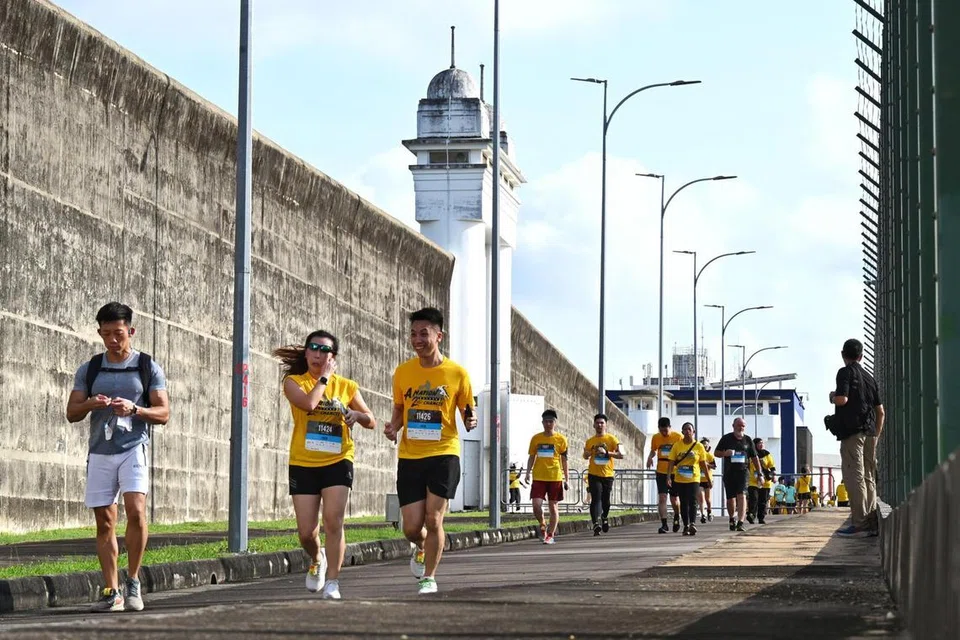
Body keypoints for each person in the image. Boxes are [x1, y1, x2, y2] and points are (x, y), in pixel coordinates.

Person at [66, 302, 169, 612]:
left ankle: (133, 580)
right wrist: (90, 404)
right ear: (99, 333)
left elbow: (163, 413)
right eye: (106, 333)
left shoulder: (147, 366)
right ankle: (112, 590)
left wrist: (135, 409)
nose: (113, 340)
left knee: (136, 511)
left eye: (119, 333)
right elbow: (71, 412)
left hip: (133, 447)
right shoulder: (90, 368)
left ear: (131, 332)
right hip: (100, 451)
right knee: (104, 522)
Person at [275, 330, 376, 600]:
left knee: (334, 522)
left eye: (325, 350)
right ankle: (316, 556)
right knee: (307, 533)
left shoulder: (347, 386)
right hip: (304, 462)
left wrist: (357, 414)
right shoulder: (293, 382)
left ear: (333, 356)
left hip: (338, 459)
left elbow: (371, 420)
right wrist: (324, 378)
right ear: (306, 353)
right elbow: (309, 404)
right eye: (314, 348)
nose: (318, 354)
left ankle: (333, 581)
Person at [384, 308, 477, 595]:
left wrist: (470, 420)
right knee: (412, 527)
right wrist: (393, 427)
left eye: (423, 333)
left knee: (433, 518)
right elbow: (400, 408)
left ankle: (429, 577)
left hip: (444, 453)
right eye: (413, 334)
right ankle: (421, 545)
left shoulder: (457, 374)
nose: (417, 339)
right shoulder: (403, 372)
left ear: (439, 335)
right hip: (410, 455)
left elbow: (467, 410)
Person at [829, 339, 884, 537]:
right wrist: (876, 434)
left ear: (843, 354)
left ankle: (859, 523)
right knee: (869, 476)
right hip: (870, 432)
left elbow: (842, 399)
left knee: (855, 475)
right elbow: (881, 412)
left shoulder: (845, 372)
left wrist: (832, 396)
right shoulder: (870, 378)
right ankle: (870, 520)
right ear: (861, 356)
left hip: (853, 433)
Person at [525, 409, 570, 545]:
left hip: (555, 477)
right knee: (536, 505)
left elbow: (565, 460)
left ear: (555, 423)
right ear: (542, 422)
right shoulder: (536, 438)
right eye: (546, 421)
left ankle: (550, 535)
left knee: (553, 507)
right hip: (539, 476)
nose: (548, 424)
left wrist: (566, 479)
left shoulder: (561, 439)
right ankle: (543, 524)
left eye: (551, 421)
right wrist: (527, 472)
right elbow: (532, 456)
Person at [713, 418, 762, 532]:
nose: (741, 428)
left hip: (743, 472)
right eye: (739, 425)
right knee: (731, 499)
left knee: (742, 495)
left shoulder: (748, 440)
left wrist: (760, 473)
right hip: (729, 472)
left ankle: (740, 521)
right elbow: (716, 453)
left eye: (743, 426)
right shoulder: (726, 438)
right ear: (733, 425)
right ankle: (732, 518)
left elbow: (755, 458)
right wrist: (725, 453)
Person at [665, 423, 710, 536]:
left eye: (689, 429)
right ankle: (685, 525)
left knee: (693, 500)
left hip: (694, 478)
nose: (687, 431)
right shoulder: (677, 445)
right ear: (682, 432)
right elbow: (671, 462)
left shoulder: (699, 446)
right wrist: (668, 476)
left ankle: (693, 524)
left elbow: (703, 464)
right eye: (685, 429)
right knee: (684, 502)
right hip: (680, 478)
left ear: (693, 431)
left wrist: (708, 479)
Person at [582, 413, 623, 535]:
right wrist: (590, 452)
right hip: (593, 474)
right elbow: (585, 455)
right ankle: (595, 524)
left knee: (606, 500)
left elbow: (621, 455)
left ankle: (604, 517)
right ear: (594, 425)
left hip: (608, 474)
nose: (599, 425)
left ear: (606, 425)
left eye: (602, 423)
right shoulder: (590, 441)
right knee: (595, 498)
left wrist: (607, 453)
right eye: (597, 423)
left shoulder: (612, 439)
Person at [647, 417, 682, 534]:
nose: (664, 433)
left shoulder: (678, 437)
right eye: (662, 431)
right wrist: (650, 457)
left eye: (666, 431)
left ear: (670, 427)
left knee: (674, 499)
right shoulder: (656, 437)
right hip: (661, 471)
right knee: (662, 498)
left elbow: (682, 452)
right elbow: (653, 450)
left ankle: (677, 515)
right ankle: (664, 524)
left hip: (674, 472)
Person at [747, 438, 776, 524]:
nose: (761, 444)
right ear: (754, 444)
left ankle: (761, 517)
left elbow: (772, 467)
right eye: (759, 443)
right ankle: (751, 515)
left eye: (762, 443)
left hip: (765, 481)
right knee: (753, 499)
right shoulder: (750, 454)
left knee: (763, 501)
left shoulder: (767, 454)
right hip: (753, 481)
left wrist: (774, 477)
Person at [698, 437, 716, 524]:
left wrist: (706, 464)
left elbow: (714, 466)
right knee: (701, 498)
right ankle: (703, 514)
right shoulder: (697, 455)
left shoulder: (710, 456)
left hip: (707, 479)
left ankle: (709, 511)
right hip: (698, 479)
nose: (705, 446)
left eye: (706, 444)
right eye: (703, 444)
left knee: (707, 499)